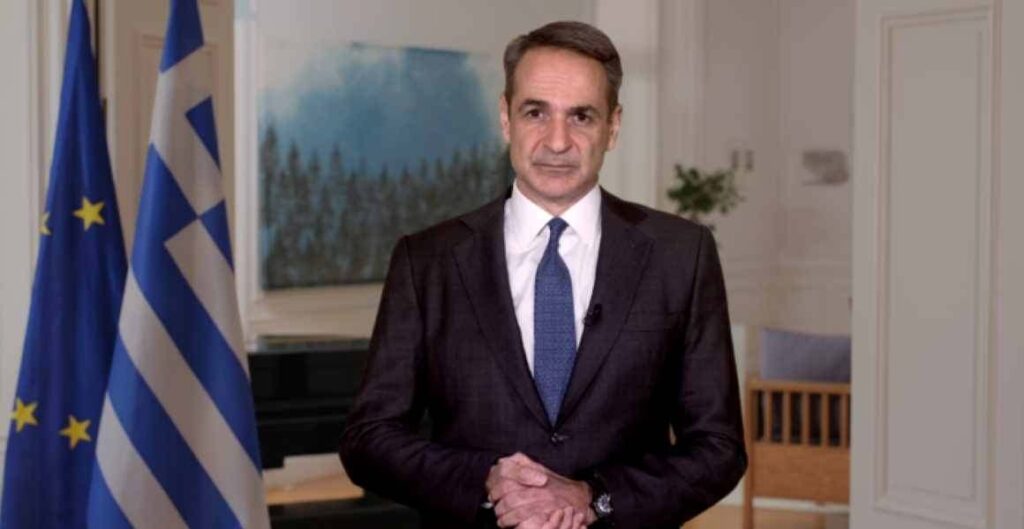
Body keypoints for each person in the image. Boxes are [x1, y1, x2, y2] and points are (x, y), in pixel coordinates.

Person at [339, 20, 746, 529]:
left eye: (582, 116)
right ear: (505, 118)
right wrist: (487, 481)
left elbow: (718, 447)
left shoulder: (681, 255)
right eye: (536, 112)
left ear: (613, 127)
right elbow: (368, 439)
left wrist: (594, 498)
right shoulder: (428, 261)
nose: (557, 141)